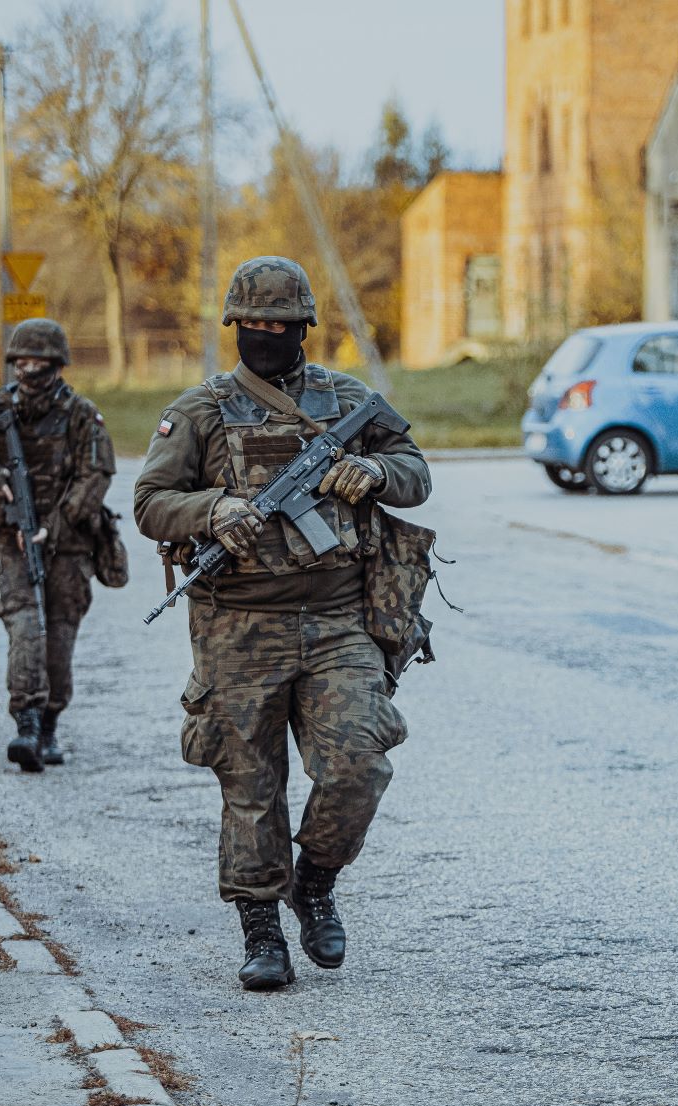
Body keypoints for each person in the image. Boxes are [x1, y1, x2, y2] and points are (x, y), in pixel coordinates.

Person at [133, 256, 432, 992]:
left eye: (283, 326)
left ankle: (316, 880)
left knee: (359, 760)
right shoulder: (200, 411)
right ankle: (261, 925)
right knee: (250, 783)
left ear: (304, 329)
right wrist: (214, 509)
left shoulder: (345, 398)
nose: (269, 335)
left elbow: (413, 467)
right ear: (235, 326)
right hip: (239, 623)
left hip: (337, 617)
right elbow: (148, 502)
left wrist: (378, 474)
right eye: (256, 325)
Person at [0, 319, 114, 771]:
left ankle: (50, 723)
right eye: (22, 363)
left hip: (68, 544)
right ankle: (26, 722)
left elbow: (95, 477)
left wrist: (55, 526)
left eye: (39, 364)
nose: (29, 372)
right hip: (7, 540)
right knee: (25, 625)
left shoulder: (81, 415)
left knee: (59, 632)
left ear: (57, 366)